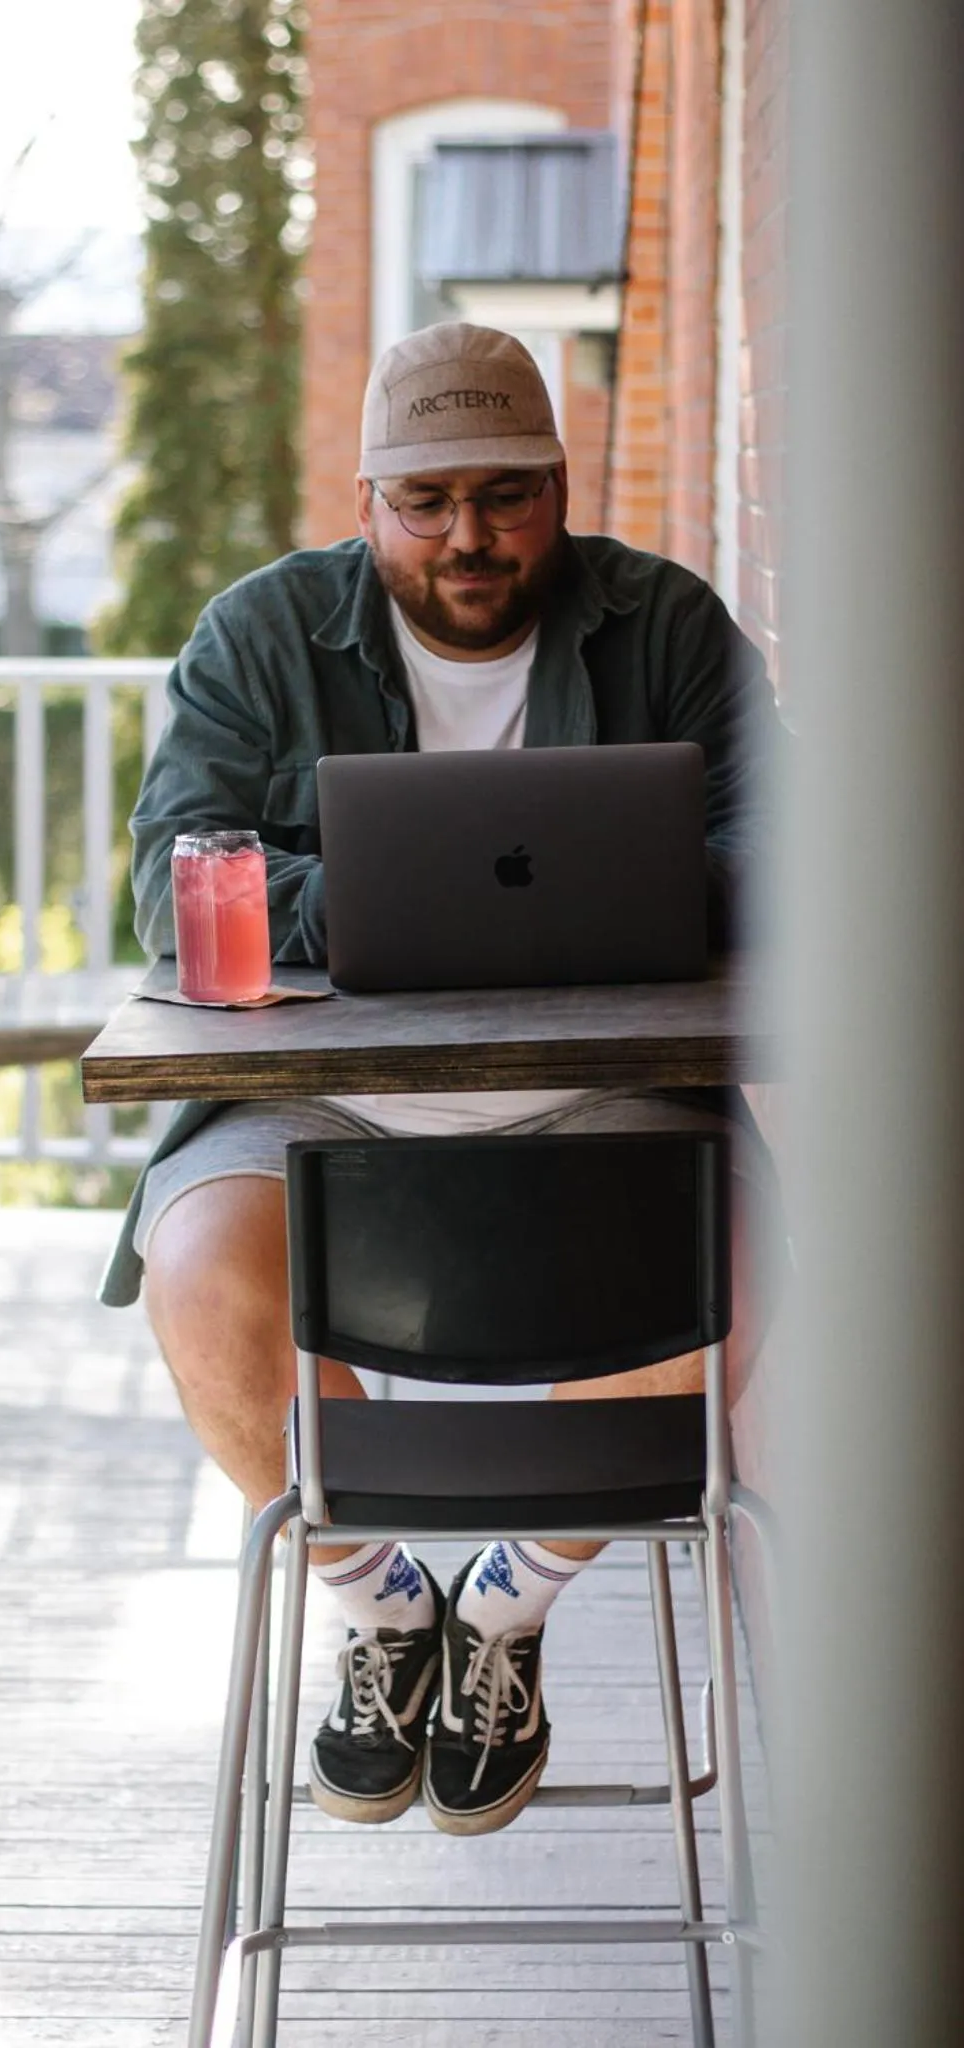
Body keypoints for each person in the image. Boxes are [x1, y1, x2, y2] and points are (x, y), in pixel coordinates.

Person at [99, 322, 785, 1837]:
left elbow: (787, 840)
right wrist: (403, 903)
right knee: (201, 1275)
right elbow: (173, 882)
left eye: (507, 496)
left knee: (732, 1260)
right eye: (427, 504)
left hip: (613, 1090)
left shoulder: (666, 624)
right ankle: (385, 1604)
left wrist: (627, 898)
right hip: (321, 1097)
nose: (468, 536)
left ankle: (509, 1614)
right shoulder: (259, 635)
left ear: (559, 482)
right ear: (368, 501)